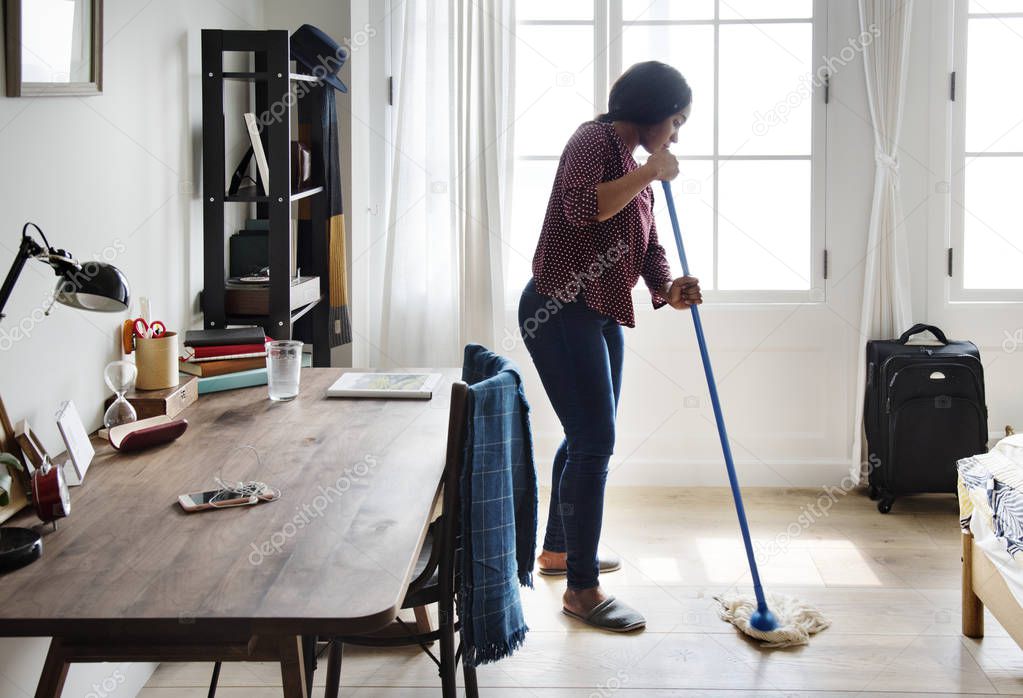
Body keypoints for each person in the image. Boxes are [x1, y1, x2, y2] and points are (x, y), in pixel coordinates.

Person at [519, 61, 702, 632]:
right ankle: (581, 589)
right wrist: (650, 173)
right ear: (649, 112)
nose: (676, 135)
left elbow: (642, 238)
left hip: (599, 312)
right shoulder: (593, 140)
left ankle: (557, 551)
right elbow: (583, 210)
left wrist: (667, 286)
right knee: (595, 441)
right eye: (675, 121)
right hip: (559, 308)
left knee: (586, 437)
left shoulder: (630, 159)